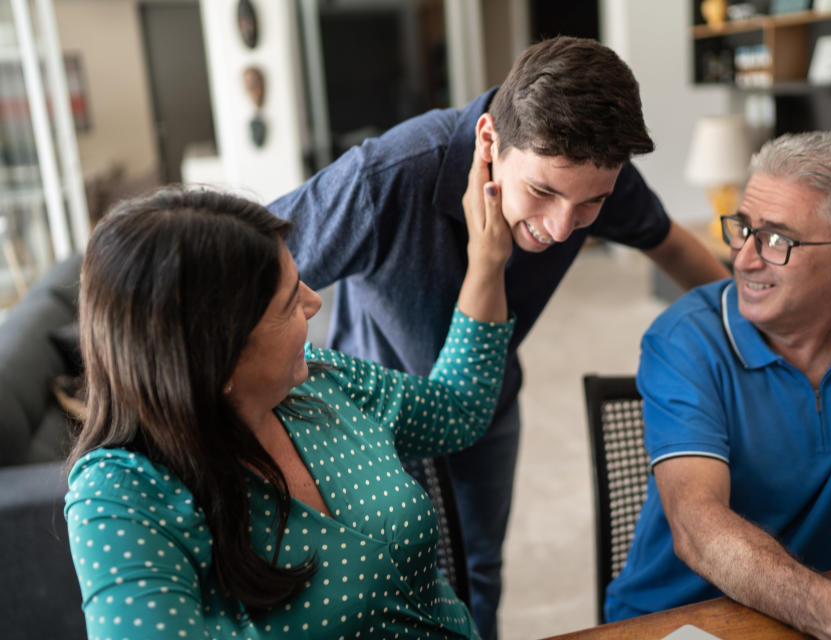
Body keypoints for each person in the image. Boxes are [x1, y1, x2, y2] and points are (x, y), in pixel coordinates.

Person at [268, 35, 729, 637]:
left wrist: (743, 328)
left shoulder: (585, 173)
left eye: (591, 204)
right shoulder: (384, 178)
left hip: (487, 402)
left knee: (478, 572)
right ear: (490, 140)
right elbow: (239, 266)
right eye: (542, 192)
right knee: (379, 587)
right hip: (374, 414)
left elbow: (669, 244)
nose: (563, 227)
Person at [64, 180, 516, 640]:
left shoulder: (318, 380)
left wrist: (488, 261)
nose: (314, 302)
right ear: (214, 361)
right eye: (287, 304)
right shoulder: (120, 496)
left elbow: (456, 410)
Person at [605, 131, 831, 639]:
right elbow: (697, 527)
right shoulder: (683, 339)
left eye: (777, 240)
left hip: (819, 616)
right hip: (676, 622)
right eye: (743, 228)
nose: (744, 259)